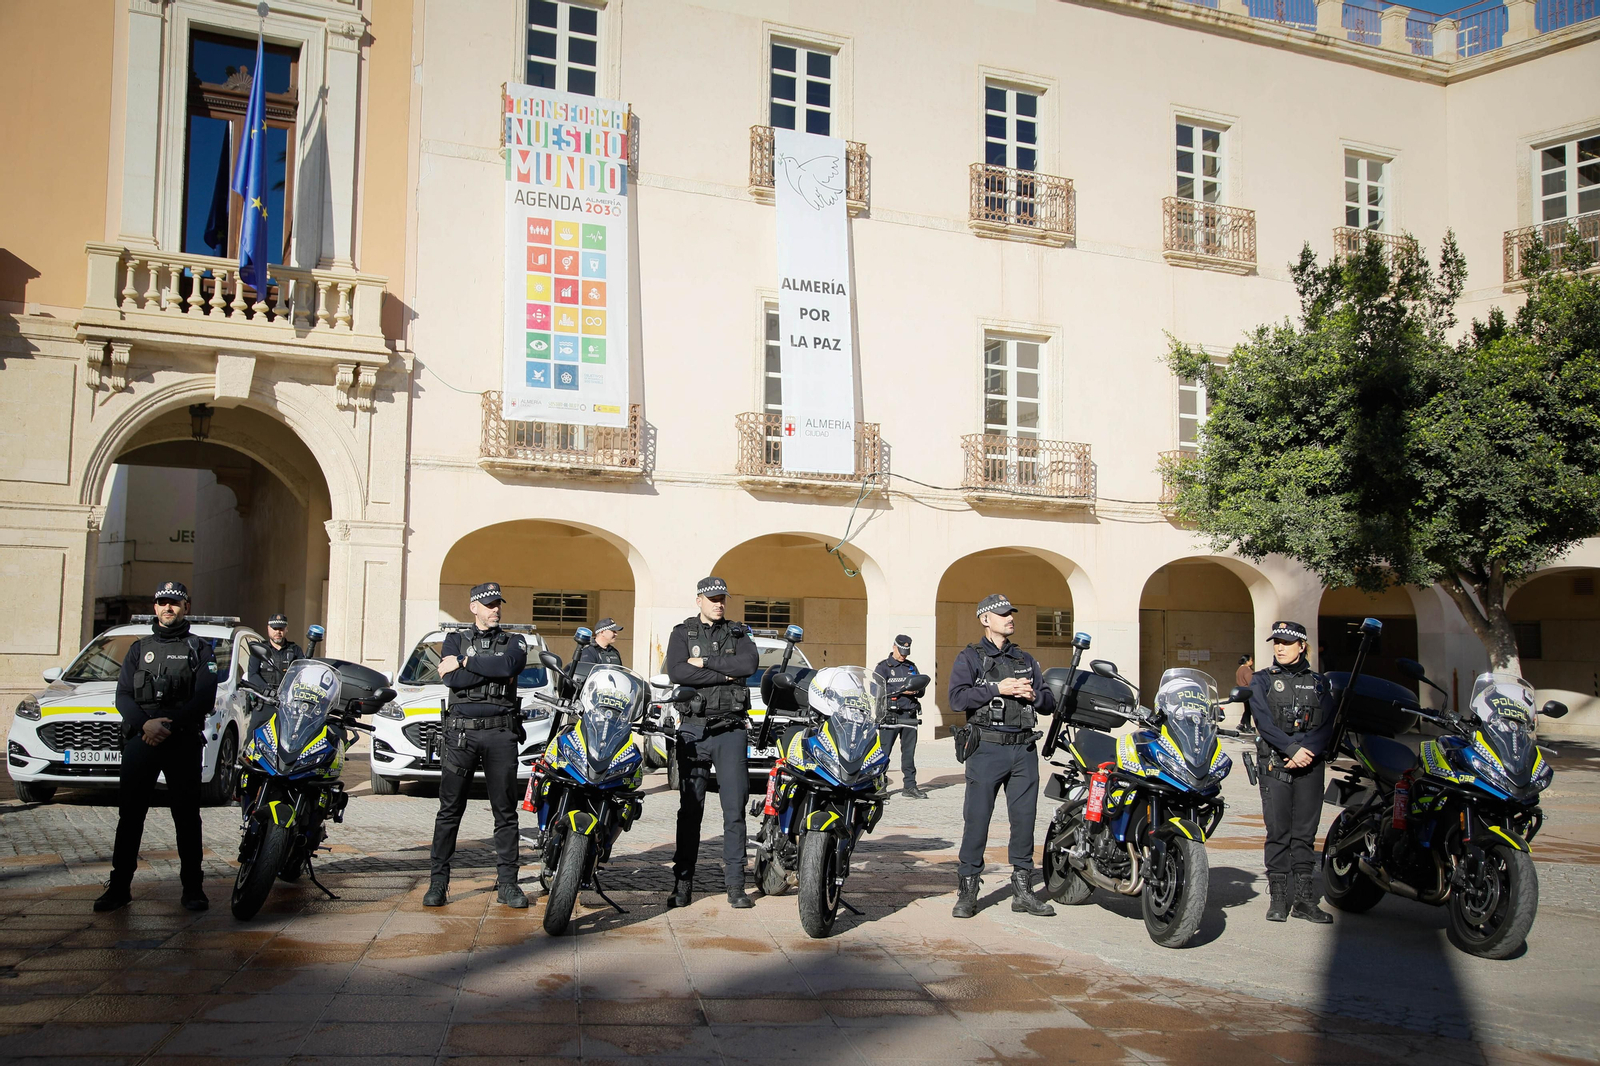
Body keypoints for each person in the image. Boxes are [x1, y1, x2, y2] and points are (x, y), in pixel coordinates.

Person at [95, 581, 218, 913]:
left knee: (186, 817)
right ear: (155, 607)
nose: (168, 608)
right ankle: (119, 887)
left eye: (175, 603)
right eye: (163, 602)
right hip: (142, 738)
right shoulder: (139, 648)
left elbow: (205, 697)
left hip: (181, 741)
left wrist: (169, 725)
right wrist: (145, 724)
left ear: (186, 607)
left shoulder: (200, 648)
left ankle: (193, 888)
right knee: (130, 816)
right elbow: (123, 695)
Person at [947, 593, 1058, 920]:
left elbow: (1050, 703)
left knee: (1024, 822)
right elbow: (956, 699)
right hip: (986, 749)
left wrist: (1034, 695)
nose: (1009, 617)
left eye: (1011, 612)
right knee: (977, 820)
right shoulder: (969, 657)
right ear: (985, 619)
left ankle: (1023, 891)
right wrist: (998, 689)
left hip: (1023, 750)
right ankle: (968, 891)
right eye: (1002, 613)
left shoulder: (1026, 659)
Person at [426, 582, 530, 910]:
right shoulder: (455, 639)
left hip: (501, 734)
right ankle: (438, 883)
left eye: (497, 603)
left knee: (505, 812)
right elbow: (450, 679)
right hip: (461, 736)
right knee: (449, 810)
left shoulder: (515, 641)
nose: (495, 609)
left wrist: (466, 663)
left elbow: (508, 667)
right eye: (488, 604)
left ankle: (509, 884)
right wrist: (480, 668)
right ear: (474, 607)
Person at [664, 576, 759, 909]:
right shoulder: (682, 633)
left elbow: (749, 665)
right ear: (699, 600)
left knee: (734, 812)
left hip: (730, 731)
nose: (720, 604)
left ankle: (735, 885)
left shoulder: (739, 632)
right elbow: (677, 672)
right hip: (693, 730)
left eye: (723, 599)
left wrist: (704, 663)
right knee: (690, 811)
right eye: (713, 598)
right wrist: (726, 673)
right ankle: (683, 884)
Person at [1249, 620, 1335, 924]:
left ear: (1302, 646)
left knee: (1305, 835)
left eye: (1286, 643)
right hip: (1276, 764)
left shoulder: (1320, 683)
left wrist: (1306, 750)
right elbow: (1264, 721)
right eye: (1276, 642)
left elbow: (1328, 724)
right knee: (1278, 832)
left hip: (1310, 765)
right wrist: (1291, 749)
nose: (1280, 648)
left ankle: (1303, 900)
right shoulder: (1262, 680)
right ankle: (1278, 900)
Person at [873, 635, 927, 799]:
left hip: (909, 715)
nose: (904, 655)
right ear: (894, 647)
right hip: (890, 716)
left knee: (909, 754)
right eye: (901, 651)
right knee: (883, 754)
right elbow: (875, 690)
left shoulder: (911, 667)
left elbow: (922, 690)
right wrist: (901, 690)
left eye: (906, 651)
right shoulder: (883, 667)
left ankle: (910, 786)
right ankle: (879, 786)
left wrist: (917, 689)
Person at [246, 613, 302, 731]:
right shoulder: (260, 649)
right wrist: (266, 690)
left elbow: (303, 674)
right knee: (252, 740)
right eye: (275, 629)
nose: (278, 632)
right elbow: (252, 674)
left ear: (286, 629)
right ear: (268, 629)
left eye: (281, 629)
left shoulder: (295, 650)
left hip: (288, 705)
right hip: (264, 703)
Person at [1234, 653, 1256, 733]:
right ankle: (1248, 726)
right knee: (1248, 710)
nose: (1252, 662)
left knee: (1247, 709)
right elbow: (1251, 681)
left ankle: (1242, 724)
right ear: (1247, 661)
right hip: (1248, 691)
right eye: (1251, 660)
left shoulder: (1239, 669)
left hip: (1242, 691)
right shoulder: (1246, 670)